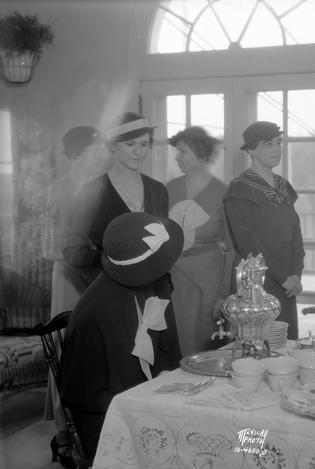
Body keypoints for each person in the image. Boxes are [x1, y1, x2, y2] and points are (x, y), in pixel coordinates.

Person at [59, 212, 183, 459]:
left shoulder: (153, 286)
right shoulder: (93, 314)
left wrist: (165, 382)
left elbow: (167, 351)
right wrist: (142, 405)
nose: (167, 266)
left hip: (145, 398)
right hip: (108, 419)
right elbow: (82, 395)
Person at [41, 126, 111, 467]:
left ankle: (94, 431)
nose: (99, 154)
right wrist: (81, 252)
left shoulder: (100, 187)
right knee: (68, 353)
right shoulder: (58, 191)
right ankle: (65, 435)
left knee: (95, 353)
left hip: (98, 279)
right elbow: (48, 246)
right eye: (92, 150)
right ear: (73, 154)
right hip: (70, 278)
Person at [63, 112, 168, 288]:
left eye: (144, 144)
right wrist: (111, 263)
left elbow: (165, 242)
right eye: (130, 144)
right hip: (109, 290)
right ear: (112, 146)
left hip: (152, 289)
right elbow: (72, 250)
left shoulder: (158, 191)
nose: (139, 151)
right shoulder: (90, 193)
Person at [224, 121, 304, 340]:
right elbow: (247, 243)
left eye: (278, 143)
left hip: (287, 279)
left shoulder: (283, 185)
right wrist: (282, 277)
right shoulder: (239, 188)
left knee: (285, 344)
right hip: (257, 279)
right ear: (251, 150)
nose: (277, 149)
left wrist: (296, 273)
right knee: (258, 346)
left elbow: (296, 233)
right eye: (268, 144)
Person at [166, 126, 233, 355]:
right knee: (175, 340)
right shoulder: (170, 189)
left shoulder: (223, 192)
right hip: (173, 277)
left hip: (208, 277)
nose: (177, 157)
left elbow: (232, 249)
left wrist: (224, 293)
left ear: (200, 152)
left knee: (205, 344)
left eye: (182, 151)